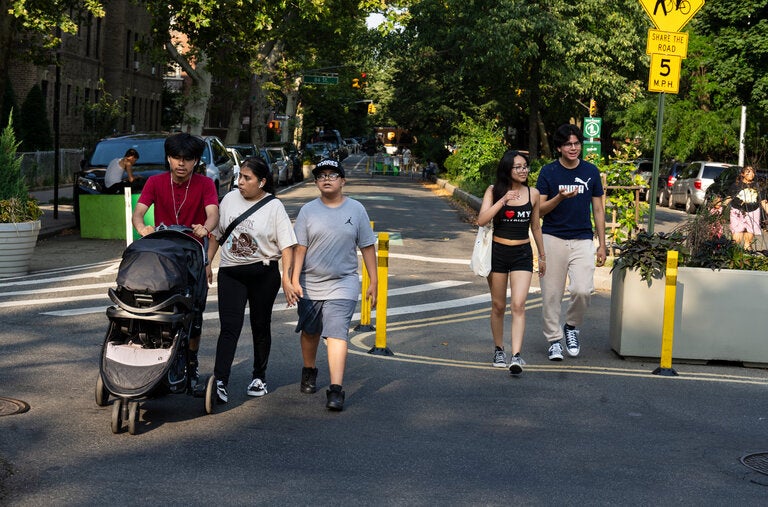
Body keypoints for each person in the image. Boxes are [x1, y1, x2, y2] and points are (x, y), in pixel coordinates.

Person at [206, 157, 297, 404]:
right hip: (231, 273)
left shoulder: (274, 206)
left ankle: (259, 377)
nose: (240, 183)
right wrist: (208, 262)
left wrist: (287, 280)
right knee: (229, 328)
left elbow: (287, 246)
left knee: (260, 325)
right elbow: (216, 235)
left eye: (247, 178)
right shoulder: (229, 200)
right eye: (239, 177)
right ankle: (220, 380)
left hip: (263, 274)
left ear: (262, 181)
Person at [131, 132, 220, 381]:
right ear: (168, 158)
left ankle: (191, 360)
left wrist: (206, 227)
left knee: (195, 314)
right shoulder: (155, 182)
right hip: (161, 256)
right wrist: (143, 229)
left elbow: (213, 213)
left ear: (195, 161)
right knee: (154, 306)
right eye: (176, 157)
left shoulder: (205, 184)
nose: (181, 163)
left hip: (192, 256)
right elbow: (138, 213)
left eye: (187, 158)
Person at [291, 158, 378, 411]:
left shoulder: (356, 209)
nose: (326, 179)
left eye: (332, 174)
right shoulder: (308, 210)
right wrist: (295, 279)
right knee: (310, 331)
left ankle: (336, 389)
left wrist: (373, 281)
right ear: (316, 182)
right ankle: (309, 370)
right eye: (321, 176)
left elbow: (367, 246)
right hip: (310, 282)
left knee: (338, 333)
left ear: (342, 181)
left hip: (344, 282)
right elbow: (300, 248)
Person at [535, 124, 606, 361]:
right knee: (551, 294)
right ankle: (554, 340)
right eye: (568, 144)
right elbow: (539, 211)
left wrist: (603, 244)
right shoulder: (549, 172)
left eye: (577, 143)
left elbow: (598, 208)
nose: (573, 148)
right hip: (553, 237)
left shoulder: (591, 171)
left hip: (583, 238)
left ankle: (571, 327)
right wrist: (559, 197)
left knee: (582, 289)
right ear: (559, 148)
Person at [477, 150, 545, 375]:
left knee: (519, 304)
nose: (523, 170)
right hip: (497, 252)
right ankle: (499, 349)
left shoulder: (533, 193)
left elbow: (535, 227)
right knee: (498, 305)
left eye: (525, 166)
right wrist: (503, 200)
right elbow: (482, 220)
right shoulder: (493, 191)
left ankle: (516, 355)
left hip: (522, 254)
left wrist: (542, 256)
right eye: (518, 167)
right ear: (508, 169)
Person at [724, 165, 768, 250]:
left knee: (749, 237)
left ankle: (747, 250)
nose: (751, 174)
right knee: (736, 238)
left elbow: (763, 201)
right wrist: (720, 208)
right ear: (743, 174)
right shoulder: (736, 185)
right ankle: (735, 253)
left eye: (752, 172)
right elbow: (729, 198)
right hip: (738, 212)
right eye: (748, 171)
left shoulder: (758, 186)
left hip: (753, 212)